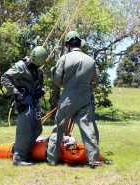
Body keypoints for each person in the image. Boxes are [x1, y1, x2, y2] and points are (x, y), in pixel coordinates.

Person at [47, 31, 101, 168]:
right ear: (80, 44)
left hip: (68, 97)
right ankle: (94, 160)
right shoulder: (91, 60)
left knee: (59, 127)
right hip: (85, 97)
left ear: (67, 45)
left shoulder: (64, 58)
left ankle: (52, 160)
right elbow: (95, 81)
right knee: (88, 129)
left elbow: (57, 80)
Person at [1, 46, 48, 166]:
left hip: (34, 103)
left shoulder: (38, 69)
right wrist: (15, 92)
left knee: (37, 129)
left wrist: (41, 91)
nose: (38, 67)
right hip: (24, 102)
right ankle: (17, 158)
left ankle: (25, 155)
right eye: (37, 64)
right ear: (32, 58)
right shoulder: (21, 66)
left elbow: (41, 84)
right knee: (23, 131)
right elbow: (5, 77)